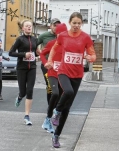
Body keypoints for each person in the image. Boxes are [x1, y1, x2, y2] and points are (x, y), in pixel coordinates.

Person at [45, 12, 96, 148]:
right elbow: (55, 48)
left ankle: (56, 136)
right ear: (69, 22)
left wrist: (91, 58)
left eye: (79, 23)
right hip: (63, 71)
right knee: (68, 92)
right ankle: (56, 112)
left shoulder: (85, 37)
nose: (76, 25)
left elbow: (92, 54)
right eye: (74, 23)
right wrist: (50, 60)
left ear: (82, 24)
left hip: (77, 74)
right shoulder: (63, 36)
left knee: (67, 108)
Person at [9, 19, 39, 125]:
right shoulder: (19, 40)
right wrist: (23, 55)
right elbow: (11, 53)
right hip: (21, 68)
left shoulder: (35, 39)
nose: (29, 27)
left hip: (32, 68)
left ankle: (27, 116)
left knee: (30, 90)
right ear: (23, 28)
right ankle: (20, 97)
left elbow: (36, 52)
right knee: (23, 91)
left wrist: (38, 53)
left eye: (30, 26)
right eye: (27, 26)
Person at [39, 23, 67, 134]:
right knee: (54, 93)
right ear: (56, 33)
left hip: (63, 75)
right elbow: (42, 54)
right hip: (52, 73)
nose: (62, 35)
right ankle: (47, 118)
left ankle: (52, 118)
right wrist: (46, 63)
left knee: (61, 96)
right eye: (60, 33)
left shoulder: (68, 45)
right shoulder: (51, 43)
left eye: (64, 33)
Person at [37, 18, 61, 107]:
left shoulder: (62, 36)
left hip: (59, 66)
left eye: (58, 26)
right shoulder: (44, 36)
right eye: (54, 25)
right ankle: (50, 107)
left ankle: (57, 107)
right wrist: (38, 52)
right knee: (50, 86)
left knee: (59, 86)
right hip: (46, 65)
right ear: (50, 26)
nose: (56, 27)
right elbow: (34, 44)